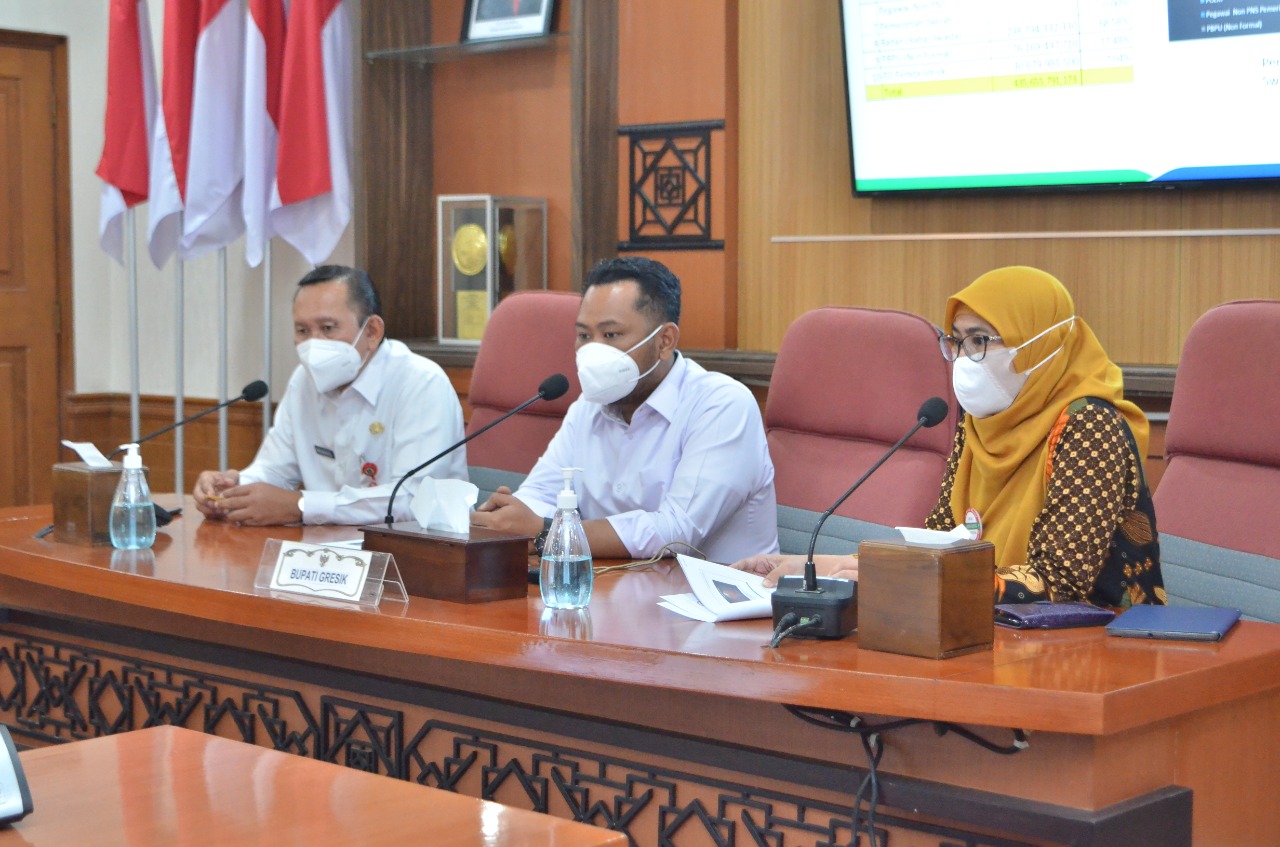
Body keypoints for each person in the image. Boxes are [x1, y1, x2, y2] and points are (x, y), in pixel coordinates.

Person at [737, 266, 1164, 608]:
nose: (963, 358)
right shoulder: (978, 420)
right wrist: (814, 565)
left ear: (1040, 344)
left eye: (979, 341)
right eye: (956, 342)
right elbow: (940, 544)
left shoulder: (1090, 425)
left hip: (1096, 648)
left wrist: (895, 576)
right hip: (985, 629)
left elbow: (1059, 582)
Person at [471, 256, 779, 562]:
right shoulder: (588, 407)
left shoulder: (722, 405)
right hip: (614, 586)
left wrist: (548, 532)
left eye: (611, 335)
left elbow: (677, 532)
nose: (592, 350)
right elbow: (541, 494)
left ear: (664, 341)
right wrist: (508, 518)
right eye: (584, 335)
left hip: (715, 592)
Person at [193, 265, 467, 526]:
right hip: (330, 547)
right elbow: (275, 471)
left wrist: (302, 507)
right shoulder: (304, 381)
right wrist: (232, 488)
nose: (314, 344)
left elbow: (412, 500)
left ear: (372, 332)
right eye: (303, 331)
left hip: (423, 549)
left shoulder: (421, 383)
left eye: (327, 328)